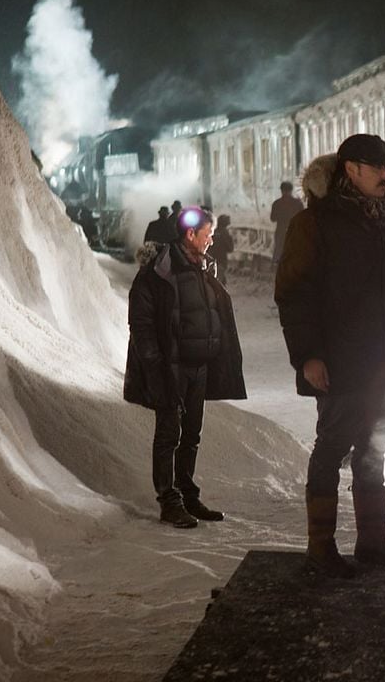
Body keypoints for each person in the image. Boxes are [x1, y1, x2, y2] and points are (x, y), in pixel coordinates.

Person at [275, 134, 385, 577]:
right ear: (351, 170)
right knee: (332, 447)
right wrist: (308, 355)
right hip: (341, 361)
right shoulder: (315, 225)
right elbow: (294, 296)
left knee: (373, 452)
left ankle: (372, 542)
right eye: (377, 166)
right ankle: (321, 550)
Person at [124, 206, 247, 528]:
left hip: (199, 367)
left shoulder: (204, 268)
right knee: (169, 435)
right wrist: (155, 368)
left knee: (191, 435)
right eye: (208, 234)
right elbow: (141, 325)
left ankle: (188, 495)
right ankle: (169, 501)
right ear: (190, 234)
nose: (212, 239)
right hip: (170, 369)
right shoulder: (158, 272)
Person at [270, 181, 303, 264]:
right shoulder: (298, 203)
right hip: (295, 232)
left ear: (281, 190)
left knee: (280, 253)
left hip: (281, 232)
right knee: (294, 254)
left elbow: (272, 218)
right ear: (291, 190)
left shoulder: (276, 203)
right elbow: (303, 218)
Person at [208, 214, 235, 286]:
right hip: (221, 260)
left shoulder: (213, 232)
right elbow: (230, 248)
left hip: (211, 259)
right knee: (219, 282)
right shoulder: (225, 233)